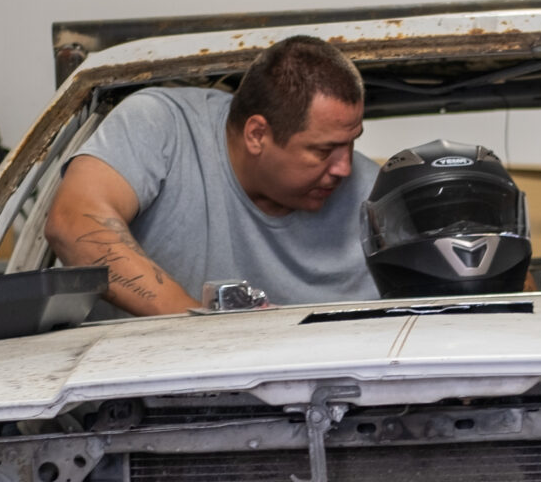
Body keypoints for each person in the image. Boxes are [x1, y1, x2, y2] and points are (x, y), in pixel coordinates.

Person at [45, 34, 379, 313]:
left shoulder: (376, 198)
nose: (344, 168)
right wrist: (200, 330)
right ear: (257, 135)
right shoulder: (160, 126)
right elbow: (73, 222)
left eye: (352, 143)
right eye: (323, 151)